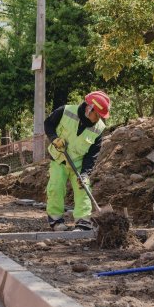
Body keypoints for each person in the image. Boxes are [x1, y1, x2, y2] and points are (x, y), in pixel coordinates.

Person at [44, 91, 111, 231]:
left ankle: (83, 221)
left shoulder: (98, 129)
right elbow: (48, 124)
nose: (98, 119)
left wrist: (85, 173)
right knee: (56, 187)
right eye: (97, 114)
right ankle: (56, 220)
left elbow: (92, 154)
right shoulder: (65, 111)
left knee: (83, 187)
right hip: (59, 159)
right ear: (89, 108)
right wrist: (54, 138)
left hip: (79, 163)